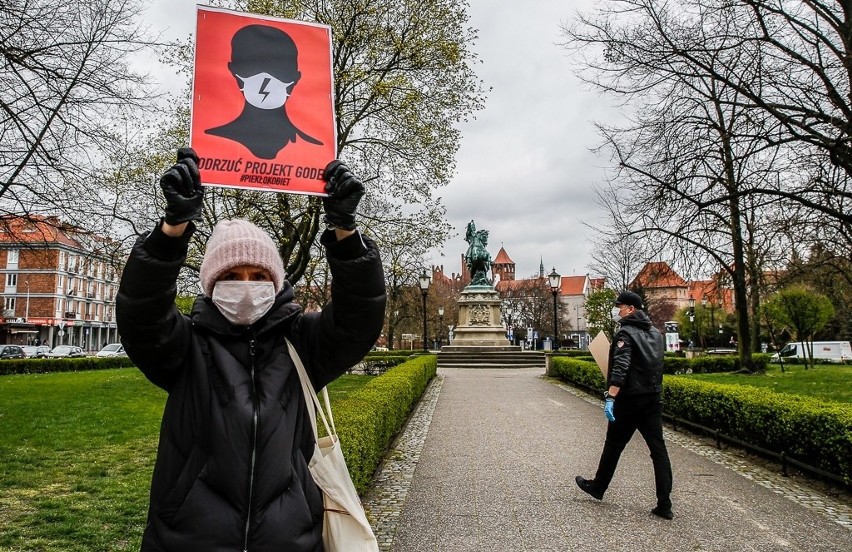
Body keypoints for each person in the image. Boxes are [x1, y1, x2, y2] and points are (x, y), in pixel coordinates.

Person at [116, 147, 386, 551]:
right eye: (232, 275)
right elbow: (141, 313)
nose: (246, 285)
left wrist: (346, 235)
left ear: (275, 282)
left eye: (258, 274)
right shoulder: (187, 346)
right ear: (211, 283)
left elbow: (357, 319)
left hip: (290, 538)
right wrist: (171, 230)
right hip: (189, 539)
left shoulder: (301, 342)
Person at [575, 290, 674, 520]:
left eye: (620, 307)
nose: (617, 310)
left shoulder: (625, 333)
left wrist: (611, 396)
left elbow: (621, 367)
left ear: (631, 309)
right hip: (652, 398)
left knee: (614, 444)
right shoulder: (655, 333)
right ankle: (665, 504)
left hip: (629, 400)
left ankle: (598, 487)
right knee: (658, 451)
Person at [205, 24, 322, 159]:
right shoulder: (209, 147)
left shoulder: (316, 155)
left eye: (278, 68)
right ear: (233, 70)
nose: (266, 79)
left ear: (296, 77)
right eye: (253, 66)